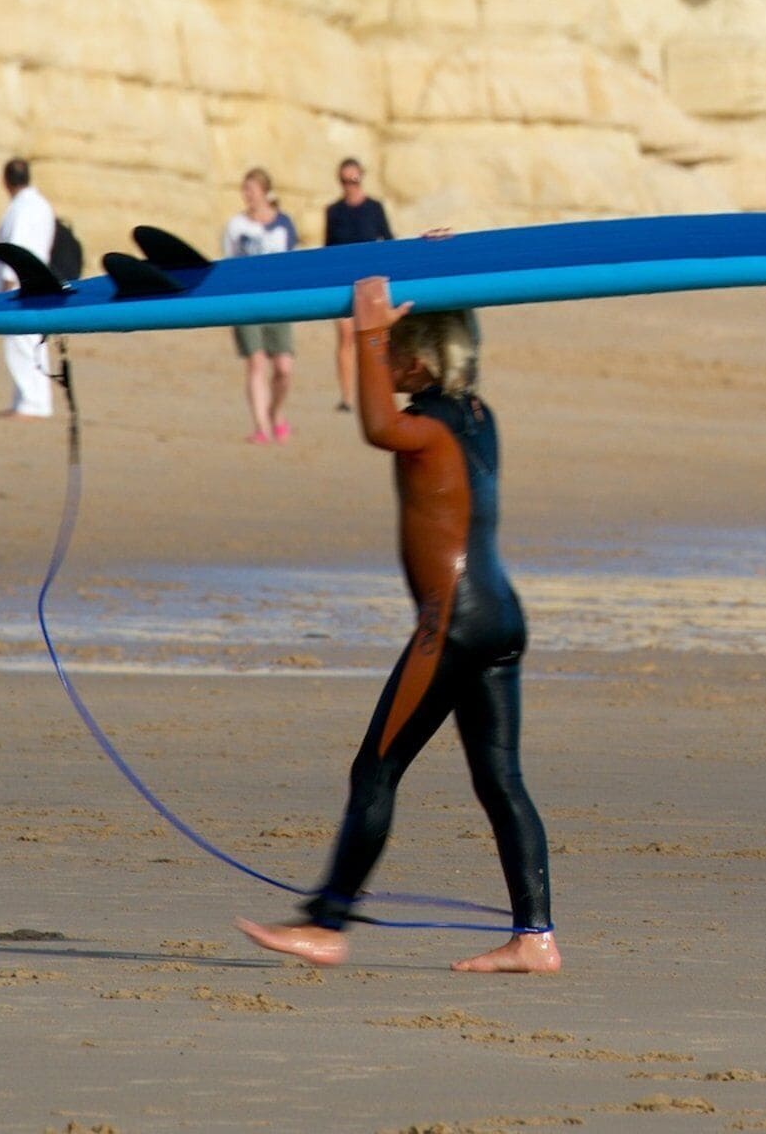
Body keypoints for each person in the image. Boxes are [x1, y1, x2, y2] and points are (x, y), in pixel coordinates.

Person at [239, 276, 557, 976]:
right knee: (501, 779)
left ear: (415, 363)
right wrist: (433, 265)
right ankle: (535, 936)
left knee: (375, 769)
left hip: (453, 626)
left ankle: (327, 926)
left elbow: (377, 425)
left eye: (393, 357)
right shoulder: (479, 414)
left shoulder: (424, 429)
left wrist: (368, 328)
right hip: (503, 617)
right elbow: (449, 340)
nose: (381, 367)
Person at [225, 169, 300, 443]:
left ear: (264, 191)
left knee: (283, 367)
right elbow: (228, 263)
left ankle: (275, 413)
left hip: (279, 302)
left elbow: (293, 264)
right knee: (256, 362)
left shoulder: (283, 225)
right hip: (245, 302)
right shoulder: (236, 225)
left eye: (251, 189)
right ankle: (261, 427)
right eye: (244, 189)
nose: (246, 195)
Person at [322, 157, 395, 412]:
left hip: (371, 285)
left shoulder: (374, 208)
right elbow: (328, 249)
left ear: (361, 178)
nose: (349, 186)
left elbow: (388, 242)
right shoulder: (333, 211)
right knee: (345, 337)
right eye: (344, 181)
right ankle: (347, 397)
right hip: (343, 284)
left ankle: (378, 392)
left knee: (376, 337)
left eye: (353, 180)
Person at [0, 158, 58, 419]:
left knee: (21, 345)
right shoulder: (40, 205)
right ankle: (30, 400)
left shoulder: (22, 209)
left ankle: (31, 403)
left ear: (6, 180)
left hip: (21, 287)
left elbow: (15, 248)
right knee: (33, 344)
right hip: (38, 283)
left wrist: (7, 285)